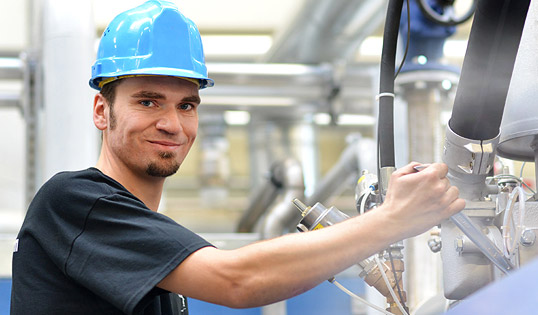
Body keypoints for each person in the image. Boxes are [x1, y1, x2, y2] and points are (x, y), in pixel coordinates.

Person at [10, 1, 465, 314]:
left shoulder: (151, 254)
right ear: (101, 111)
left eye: (186, 105)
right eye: (148, 101)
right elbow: (237, 280)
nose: (171, 123)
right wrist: (391, 220)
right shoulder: (74, 201)